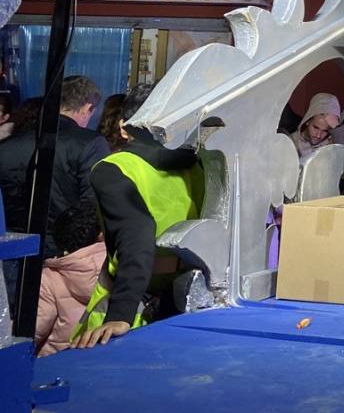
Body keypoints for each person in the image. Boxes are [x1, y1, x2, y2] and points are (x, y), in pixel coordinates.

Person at [72, 83, 204, 348]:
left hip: (136, 310)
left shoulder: (115, 169)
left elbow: (137, 233)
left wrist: (120, 314)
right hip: (192, 303)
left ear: (124, 127)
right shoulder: (202, 166)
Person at [0, 77, 105, 259]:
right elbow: (93, 203)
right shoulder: (91, 143)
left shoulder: (8, 145)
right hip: (64, 253)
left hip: (12, 248)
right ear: (87, 108)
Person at [35, 201, 106, 356]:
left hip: (58, 362)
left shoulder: (50, 278)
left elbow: (34, 331)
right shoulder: (123, 265)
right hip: (111, 355)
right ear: (101, 234)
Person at [288, 93, 344, 178]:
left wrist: (338, 129)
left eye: (325, 131)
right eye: (315, 127)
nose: (318, 135)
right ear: (308, 121)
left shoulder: (334, 144)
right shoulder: (292, 141)